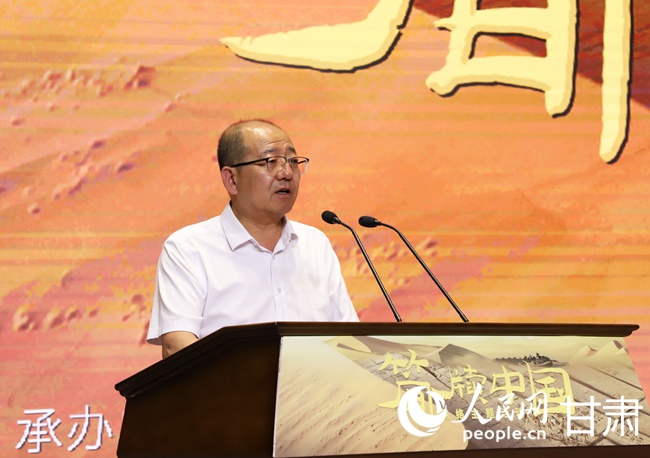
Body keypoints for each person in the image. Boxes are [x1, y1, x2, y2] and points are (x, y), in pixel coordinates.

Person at [147, 119, 359, 358]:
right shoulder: (188, 249)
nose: (287, 173)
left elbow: (350, 342)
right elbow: (177, 346)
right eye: (271, 162)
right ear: (232, 180)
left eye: (292, 161)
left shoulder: (315, 244)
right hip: (230, 383)